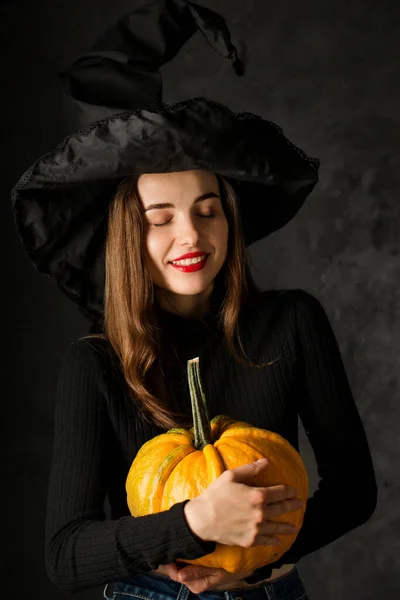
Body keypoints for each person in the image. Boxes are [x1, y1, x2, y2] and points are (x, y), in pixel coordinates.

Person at [11, 2, 378, 599]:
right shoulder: (96, 365)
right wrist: (193, 525)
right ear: (131, 237)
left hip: (268, 588)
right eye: (161, 220)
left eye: (208, 212)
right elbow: (66, 552)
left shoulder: (292, 323)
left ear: (229, 222)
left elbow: (354, 491)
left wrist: (252, 556)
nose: (191, 236)